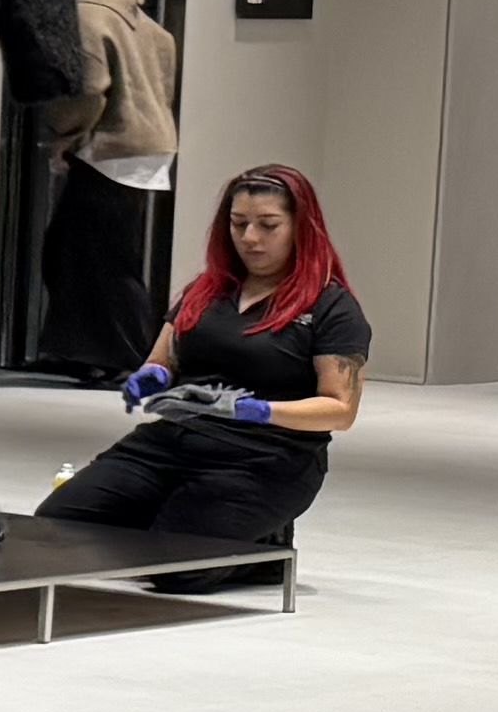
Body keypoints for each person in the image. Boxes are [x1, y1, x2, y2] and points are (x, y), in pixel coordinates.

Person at [41, 163, 364, 546]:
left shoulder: (331, 307)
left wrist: (259, 411)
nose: (250, 237)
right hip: (172, 442)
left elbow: (340, 410)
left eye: (268, 225)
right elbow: (163, 359)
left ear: (300, 227)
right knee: (53, 528)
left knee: (177, 567)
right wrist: (154, 376)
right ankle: (169, 519)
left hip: (263, 458)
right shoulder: (205, 291)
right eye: (238, 223)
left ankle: (264, 545)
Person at [33, 0, 177, 380]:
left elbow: (88, 90)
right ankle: (88, 351)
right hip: (146, 147)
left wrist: (64, 130)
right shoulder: (142, 20)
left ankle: (123, 356)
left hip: (108, 146)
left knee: (95, 257)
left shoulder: (86, 15)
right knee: (92, 251)